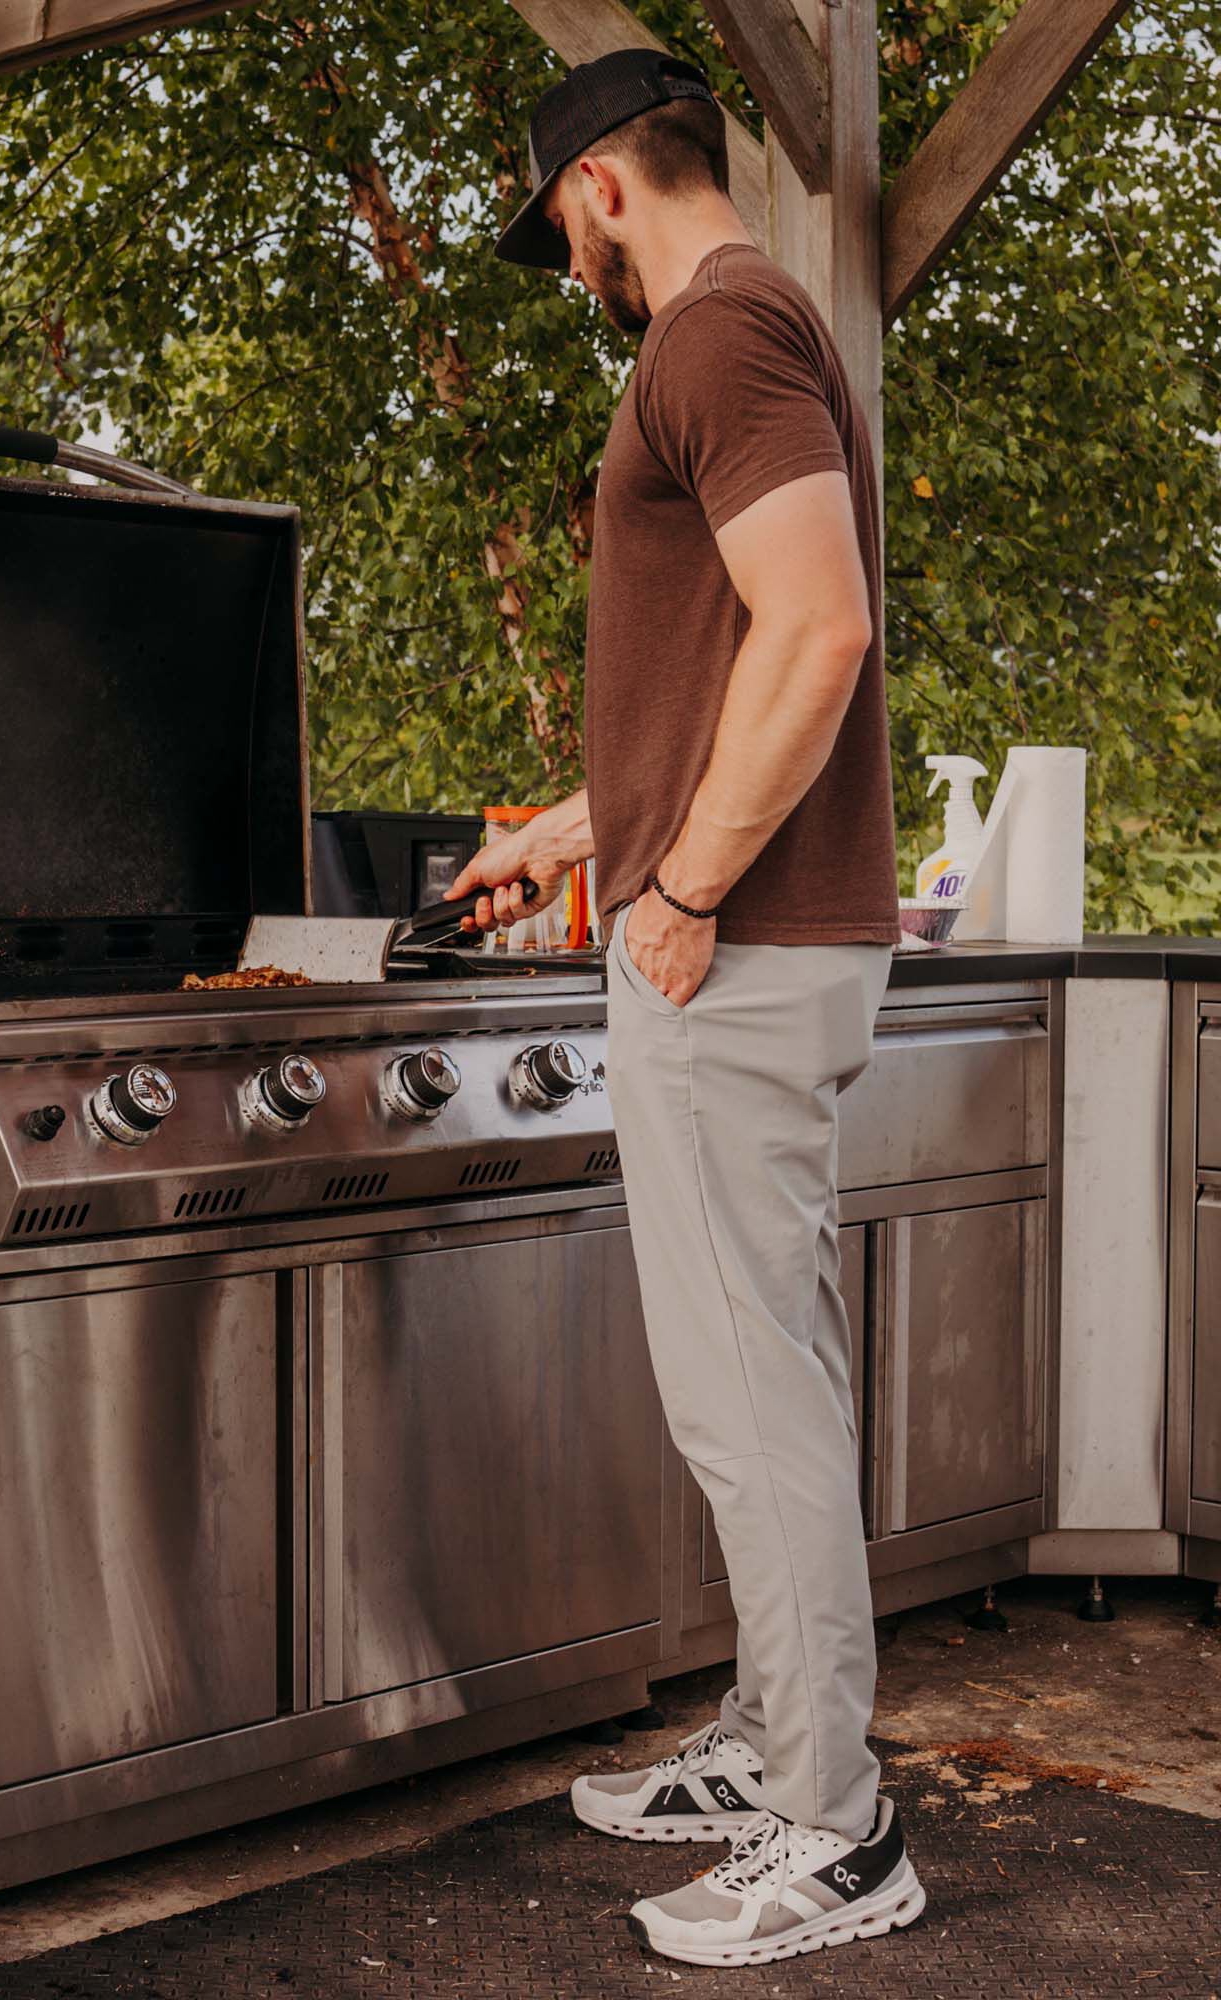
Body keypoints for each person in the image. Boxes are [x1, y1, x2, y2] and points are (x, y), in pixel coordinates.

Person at [449, 47, 923, 1971]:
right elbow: (736, 661)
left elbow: (817, 633)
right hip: (750, 940)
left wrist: (682, 890)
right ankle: (769, 1742)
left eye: (556, 225)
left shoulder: (712, 341)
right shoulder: (759, 333)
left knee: (752, 1409)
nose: (566, 255)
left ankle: (835, 1825)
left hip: (736, 951)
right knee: (763, 1380)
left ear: (598, 193)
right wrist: (571, 829)